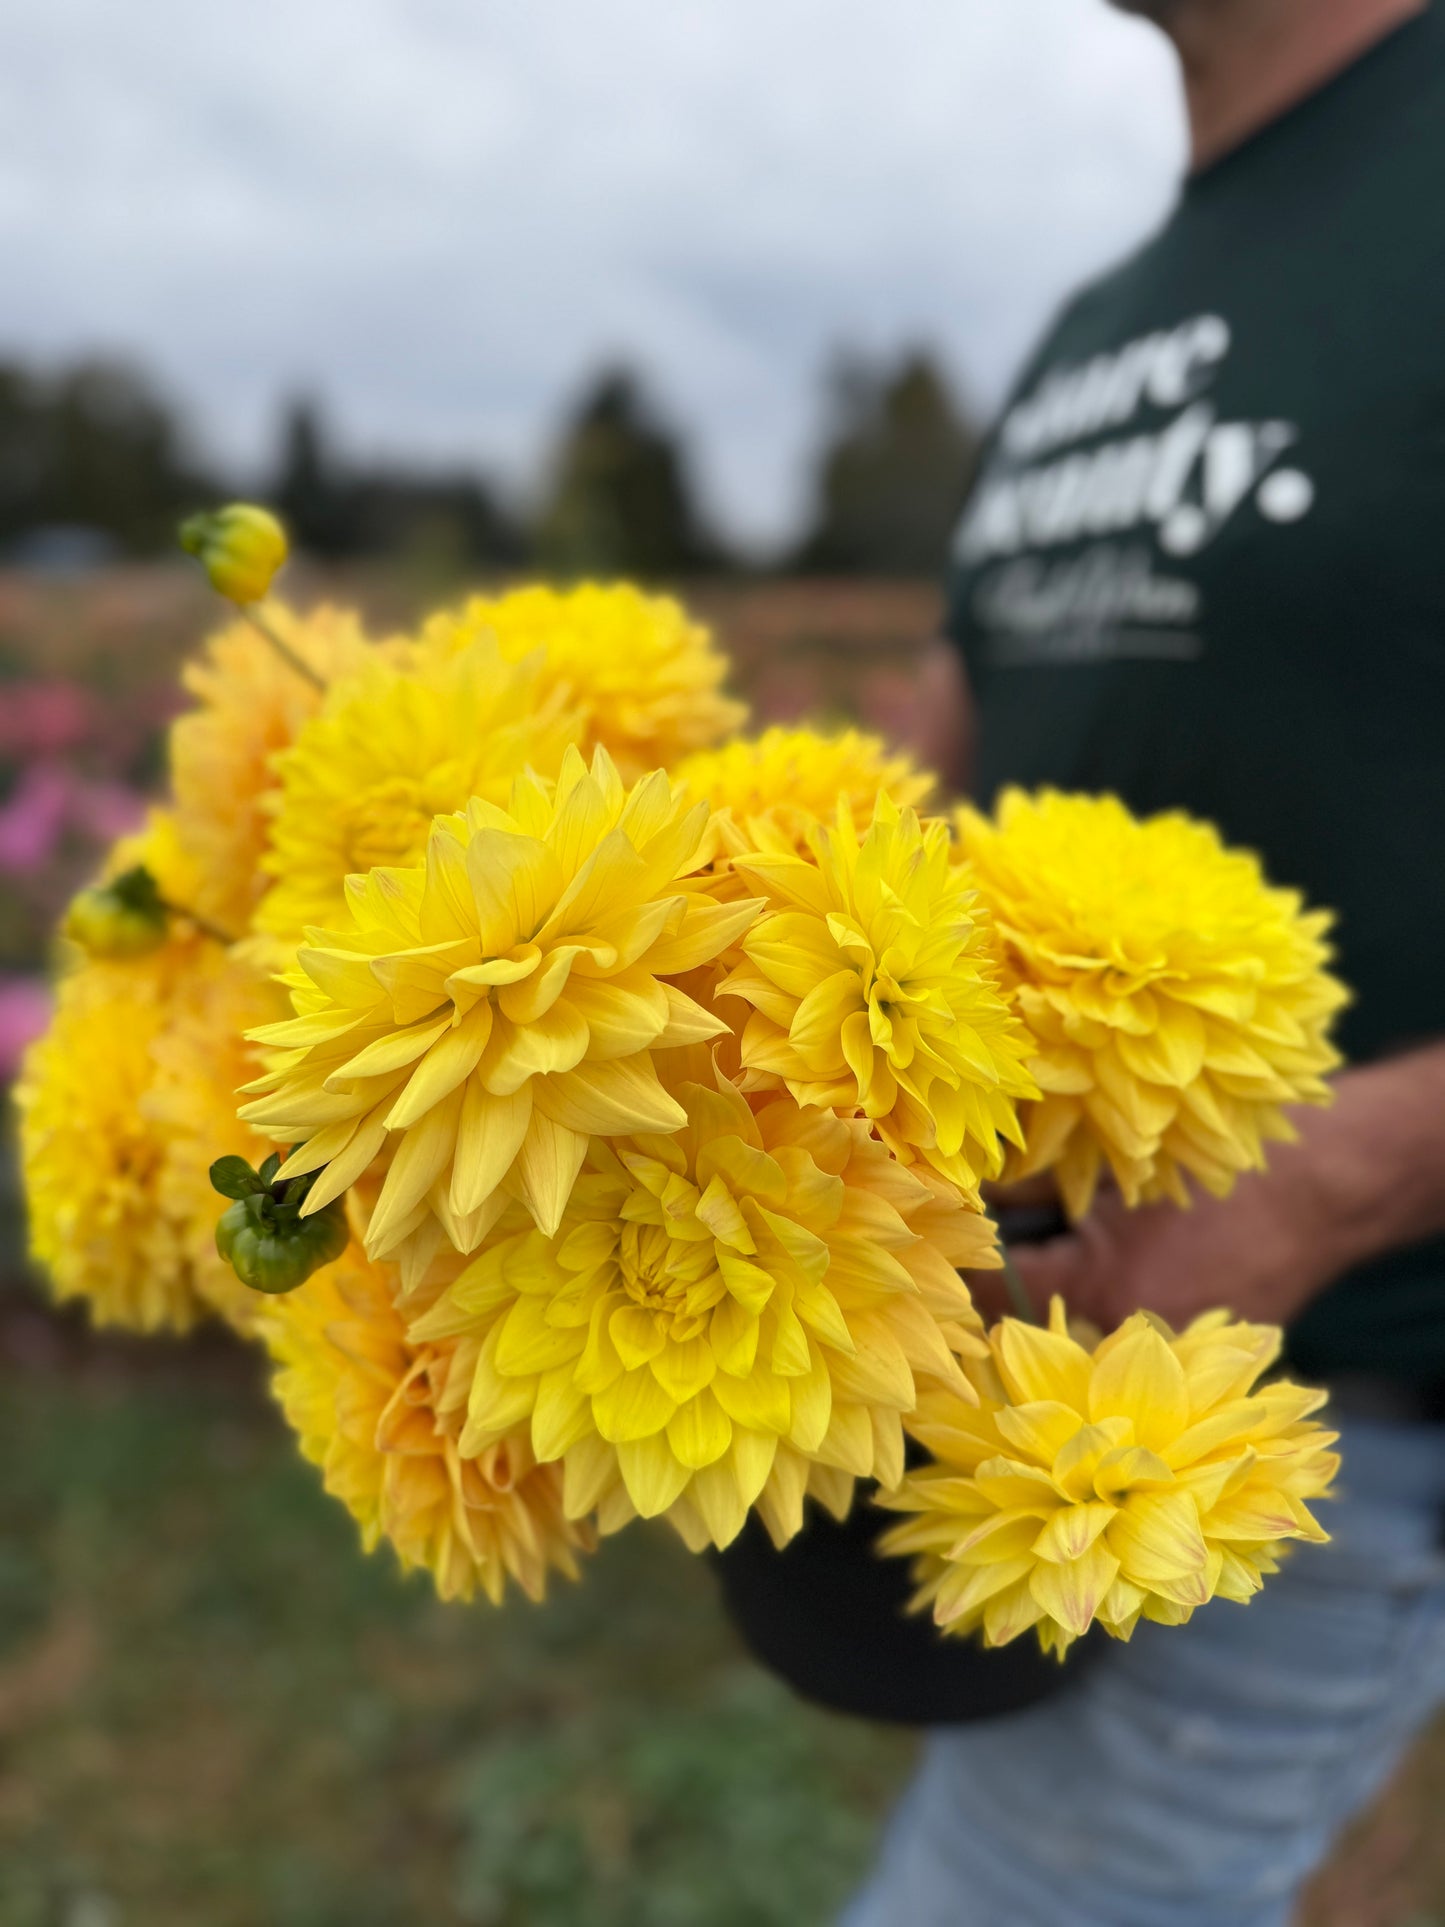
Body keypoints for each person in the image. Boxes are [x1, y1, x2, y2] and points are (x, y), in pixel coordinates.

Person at [845, 1, 1445, 1920]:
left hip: (1302, 1392)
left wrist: (1320, 1189)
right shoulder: (1109, 315)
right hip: (1037, 1349)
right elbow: (922, 766)